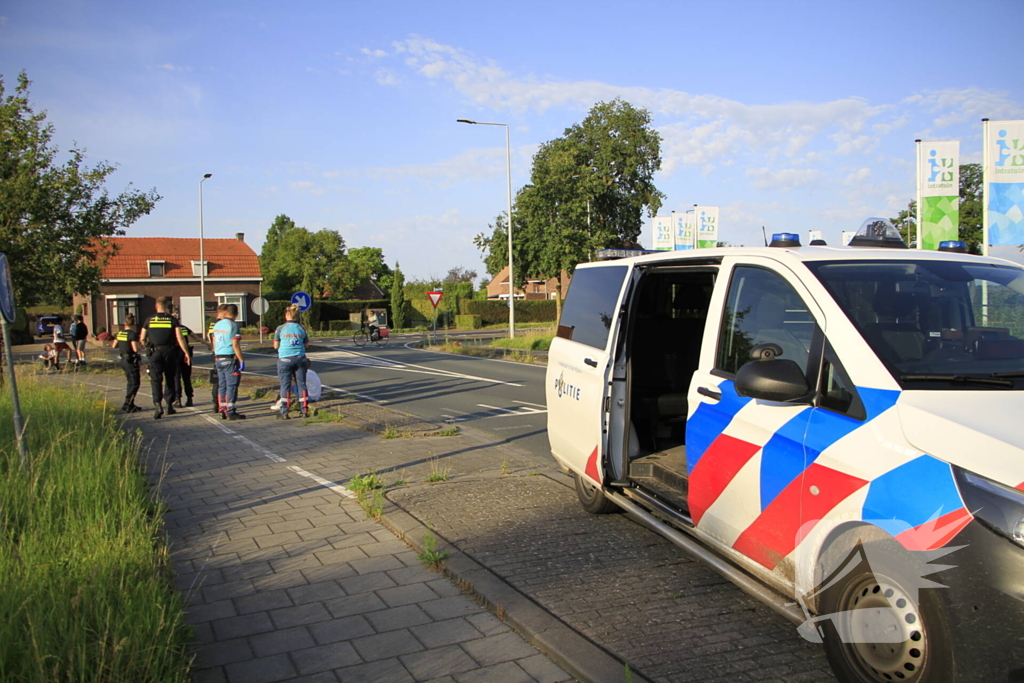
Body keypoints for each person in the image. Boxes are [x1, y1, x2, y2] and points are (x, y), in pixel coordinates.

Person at [139, 296, 191, 419]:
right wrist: (186, 352)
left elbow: (142, 338)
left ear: (156, 306)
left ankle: (157, 405)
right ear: (167, 306)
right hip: (170, 352)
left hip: (155, 352)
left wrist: (147, 346)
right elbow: (180, 338)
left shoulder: (149, 320)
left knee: (156, 379)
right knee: (170, 378)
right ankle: (169, 405)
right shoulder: (172, 319)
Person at [273, 304, 310, 419]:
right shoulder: (301, 328)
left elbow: (275, 346)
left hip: (285, 359)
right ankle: (304, 409)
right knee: (301, 384)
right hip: (300, 358)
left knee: (285, 385)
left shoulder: (280, 328)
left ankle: (285, 411)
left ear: (287, 314)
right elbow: (306, 344)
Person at [211, 303, 245, 420]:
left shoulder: (217, 325)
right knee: (231, 385)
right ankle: (230, 410)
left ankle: (222, 408)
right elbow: (235, 344)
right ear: (236, 314)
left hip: (218, 357)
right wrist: (241, 360)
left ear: (226, 312)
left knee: (222, 385)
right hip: (229, 358)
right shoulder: (233, 326)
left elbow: (214, 342)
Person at [111, 314, 143, 413]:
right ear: (133, 324)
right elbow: (135, 349)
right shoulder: (132, 334)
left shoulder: (120, 333)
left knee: (130, 382)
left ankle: (131, 404)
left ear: (125, 323)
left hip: (123, 360)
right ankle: (127, 403)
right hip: (131, 360)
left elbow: (113, 346)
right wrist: (141, 347)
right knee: (135, 383)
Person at [173, 307, 195, 408]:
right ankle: (189, 398)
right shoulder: (184, 328)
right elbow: (196, 337)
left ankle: (178, 399)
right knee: (186, 378)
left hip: (176, 354)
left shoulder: (171, 329)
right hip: (186, 355)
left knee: (176, 378)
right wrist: (207, 344)